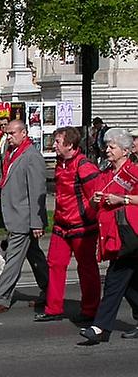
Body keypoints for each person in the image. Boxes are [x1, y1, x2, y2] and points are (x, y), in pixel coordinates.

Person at [34, 127, 101, 323]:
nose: (53, 145)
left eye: (57, 141)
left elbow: (96, 198)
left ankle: (90, 310)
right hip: (62, 224)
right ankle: (53, 308)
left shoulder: (85, 167)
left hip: (82, 227)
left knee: (86, 268)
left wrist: (86, 219)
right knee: (55, 264)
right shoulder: (61, 163)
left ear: (69, 145)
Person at [79, 128, 138, 344]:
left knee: (114, 280)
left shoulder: (134, 172)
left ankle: (100, 328)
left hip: (130, 234)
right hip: (114, 234)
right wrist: (96, 201)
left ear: (125, 151)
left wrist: (122, 199)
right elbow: (95, 208)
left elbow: (130, 199)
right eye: (107, 146)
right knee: (129, 284)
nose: (107, 150)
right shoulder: (105, 174)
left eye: (112, 147)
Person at [0, 119, 48, 314]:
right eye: (7, 133)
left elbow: (38, 192)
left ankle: (0, 298)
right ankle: (51, 291)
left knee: (13, 260)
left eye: (12, 133)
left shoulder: (31, 156)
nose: (8, 137)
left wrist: (37, 222)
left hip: (25, 218)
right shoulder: (11, 154)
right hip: (14, 215)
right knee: (35, 256)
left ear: (24, 133)